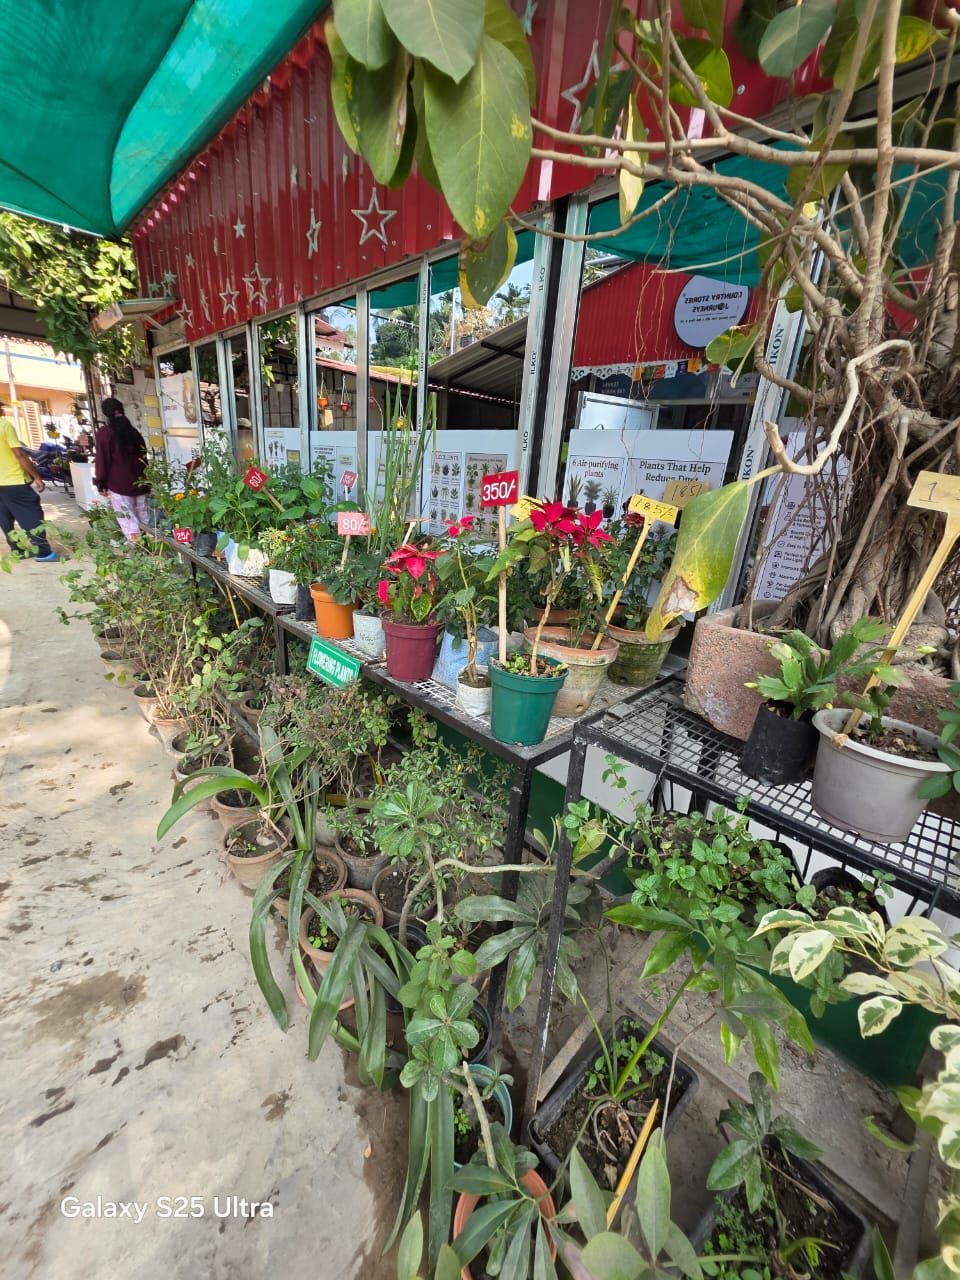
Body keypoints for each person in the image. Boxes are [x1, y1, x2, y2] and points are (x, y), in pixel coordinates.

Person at [0, 404, 57, 560]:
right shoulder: (4, 425)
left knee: (4, 516)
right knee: (31, 513)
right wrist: (36, 476)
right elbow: (19, 454)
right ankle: (44, 553)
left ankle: (17, 550)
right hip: (13, 479)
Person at [95, 397, 151, 542]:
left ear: (105, 414)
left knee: (129, 523)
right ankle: (152, 549)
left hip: (120, 486)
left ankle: (141, 552)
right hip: (141, 484)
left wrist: (101, 483)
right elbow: (144, 458)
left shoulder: (104, 433)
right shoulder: (134, 432)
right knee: (146, 521)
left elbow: (102, 461)